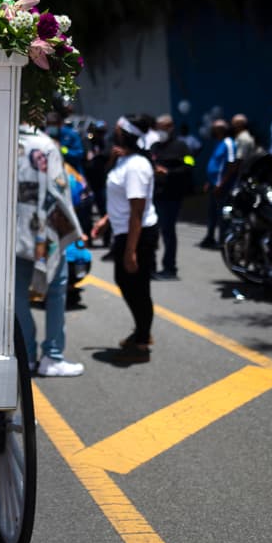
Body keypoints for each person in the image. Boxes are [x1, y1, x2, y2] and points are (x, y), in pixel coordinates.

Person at [15, 125, 86, 377]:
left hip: (10, 230)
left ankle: (25, 355)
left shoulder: (1, 138)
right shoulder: (46, 145)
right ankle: (52, 355)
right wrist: (72, 229)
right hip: (44, 229)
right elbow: (60, 191)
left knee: (16, 296)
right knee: (56, 290)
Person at [94, 113, 160, 365]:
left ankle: (142, 340)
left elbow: (137, 210)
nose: (115, 131)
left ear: (127, 134)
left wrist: (131, 250)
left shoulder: (136, 167)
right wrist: (105, 220)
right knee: (126, 282)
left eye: (119, 128)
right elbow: (120, 201)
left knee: (137, 287)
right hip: (125, 230)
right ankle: (141, 331)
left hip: (138, 234)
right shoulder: (125, 161)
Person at [149, 114, 192, 280]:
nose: (159, 131)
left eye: (163, 127)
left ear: (171, 127)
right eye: (157, 127)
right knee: (153, 231)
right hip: (155, 195)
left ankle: (170, 268)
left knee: (168, 231)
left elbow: (189, 166)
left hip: (171, 195)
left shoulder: (181, 146)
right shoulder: (154, 147)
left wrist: (169, 173)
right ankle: (152, 267)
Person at [200, 119, 235, 248]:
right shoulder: (218, 143)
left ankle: (223, 241)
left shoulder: (229, 143)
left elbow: (232, 166)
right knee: (212, 214)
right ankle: (210, 237)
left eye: (214, 128)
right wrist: (209, 182)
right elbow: (216, 164)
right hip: (213, 185)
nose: (212, 131)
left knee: (223, 215)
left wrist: (221, 184)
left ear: (221, 130)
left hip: (223, 187)